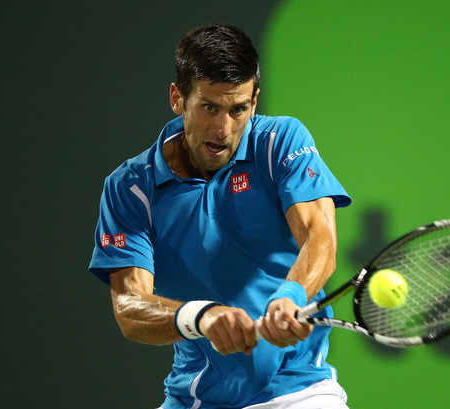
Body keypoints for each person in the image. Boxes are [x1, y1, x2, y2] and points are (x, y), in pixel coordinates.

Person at [89, 23, 351, 409]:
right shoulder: (130, 188)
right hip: (194, 396)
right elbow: (130, 308)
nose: (223, 129)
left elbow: (319, 238)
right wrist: (201, 316)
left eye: (238, 109)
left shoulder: (280, 143)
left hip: (299, 393)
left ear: (254, 102)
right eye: (209, 107)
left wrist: (291, 294)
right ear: (178, 99)